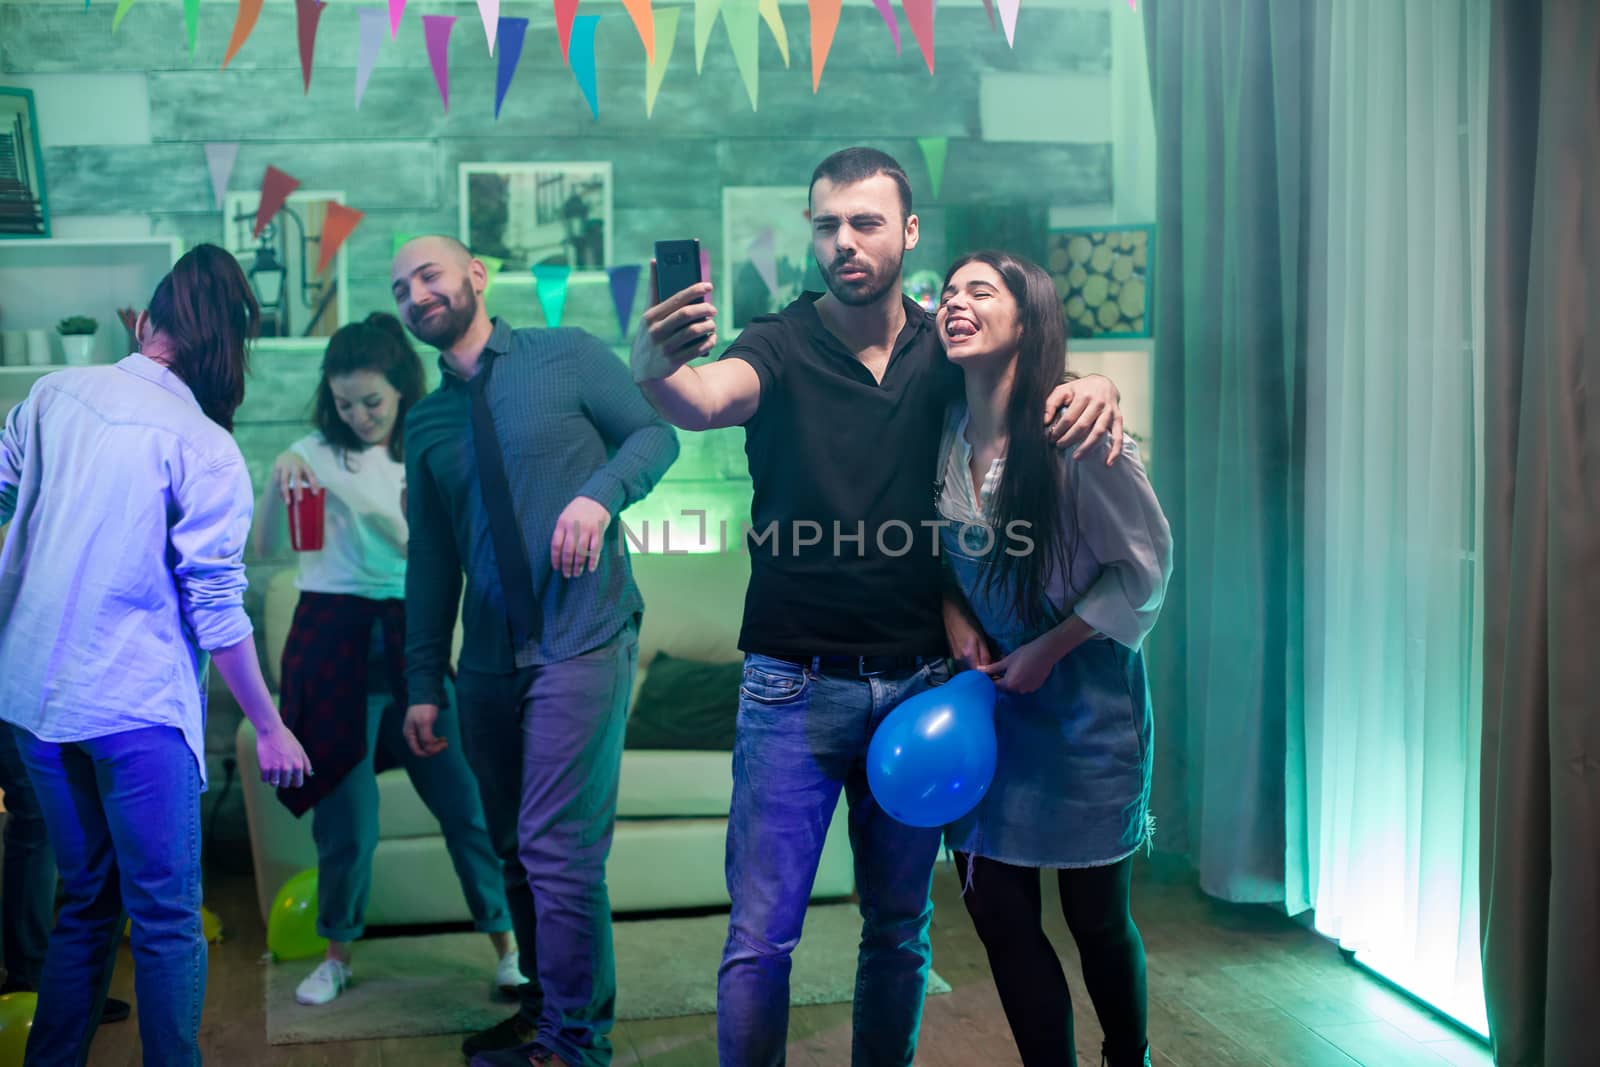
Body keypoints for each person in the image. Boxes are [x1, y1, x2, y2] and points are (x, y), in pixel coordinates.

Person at [629, 147, 1125, 1066]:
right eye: (826, 224)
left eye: (864, 222)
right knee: (759, 939)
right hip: (791, 685)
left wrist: (1095, 385)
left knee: (899, 930)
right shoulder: (777, 342)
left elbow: (1030, 379)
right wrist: (652, 366)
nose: (844, 241)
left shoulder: (947, 343)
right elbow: (701, 401)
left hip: (921, 691)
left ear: (908, 232)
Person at [0, 244, 312, 1065]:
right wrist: (271, 726)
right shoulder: (204, 446)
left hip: (34, 701)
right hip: (134, 710)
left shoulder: (50, 393)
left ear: (149, 322)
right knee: (168, 918)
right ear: (227, 350)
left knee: (85, 902)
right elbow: (217, 608)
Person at [390, 236, 679, 1067]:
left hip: (581, 636)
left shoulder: (569, 355)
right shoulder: (428, 420)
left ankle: (576, 1044)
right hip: (486, 661)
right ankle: (548, 1010)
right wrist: (421, 681)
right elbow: (431, 562)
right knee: (514, 845)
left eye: (429, 275)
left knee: (558, 849)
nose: (417, 296)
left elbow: (654, 439)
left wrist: (599, 495)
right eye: (401, 290)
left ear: (476, 276)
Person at [934, 251, 1172, 1067]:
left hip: (1086, 710)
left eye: (981, 290)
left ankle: (1128, 1057)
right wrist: (954, 614)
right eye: (950, 291)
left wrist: (1052, 645)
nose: (956, 302)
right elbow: (929, 559)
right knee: (998, 911)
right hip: (990, 709)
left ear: (1027, 321)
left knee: (1095, 913)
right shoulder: (942, 430)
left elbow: (1145, 567)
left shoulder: (1076, 431)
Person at [252, 313, 519, 1007]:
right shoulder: (311, 451)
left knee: (465, 801)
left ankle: (509, 950)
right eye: (344, 403)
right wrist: (274, 482)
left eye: (372, 400)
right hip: (329, 639)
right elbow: (263, 550)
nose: (359, 415)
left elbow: (435, 551)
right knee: (349, 820)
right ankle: (337, 955)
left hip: (412, 635)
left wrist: (379, 512)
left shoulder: (428, 443)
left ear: (401, 386)